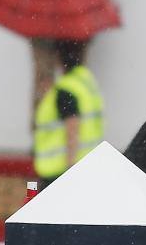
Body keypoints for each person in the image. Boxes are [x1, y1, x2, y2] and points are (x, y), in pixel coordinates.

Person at [33, 39, 104, 190]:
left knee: (40, 210)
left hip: (60, 172)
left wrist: (70, 167)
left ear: (58, 58)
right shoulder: (86, 82)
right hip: (88, 166)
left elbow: (72, 125)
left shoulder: (66, 89)